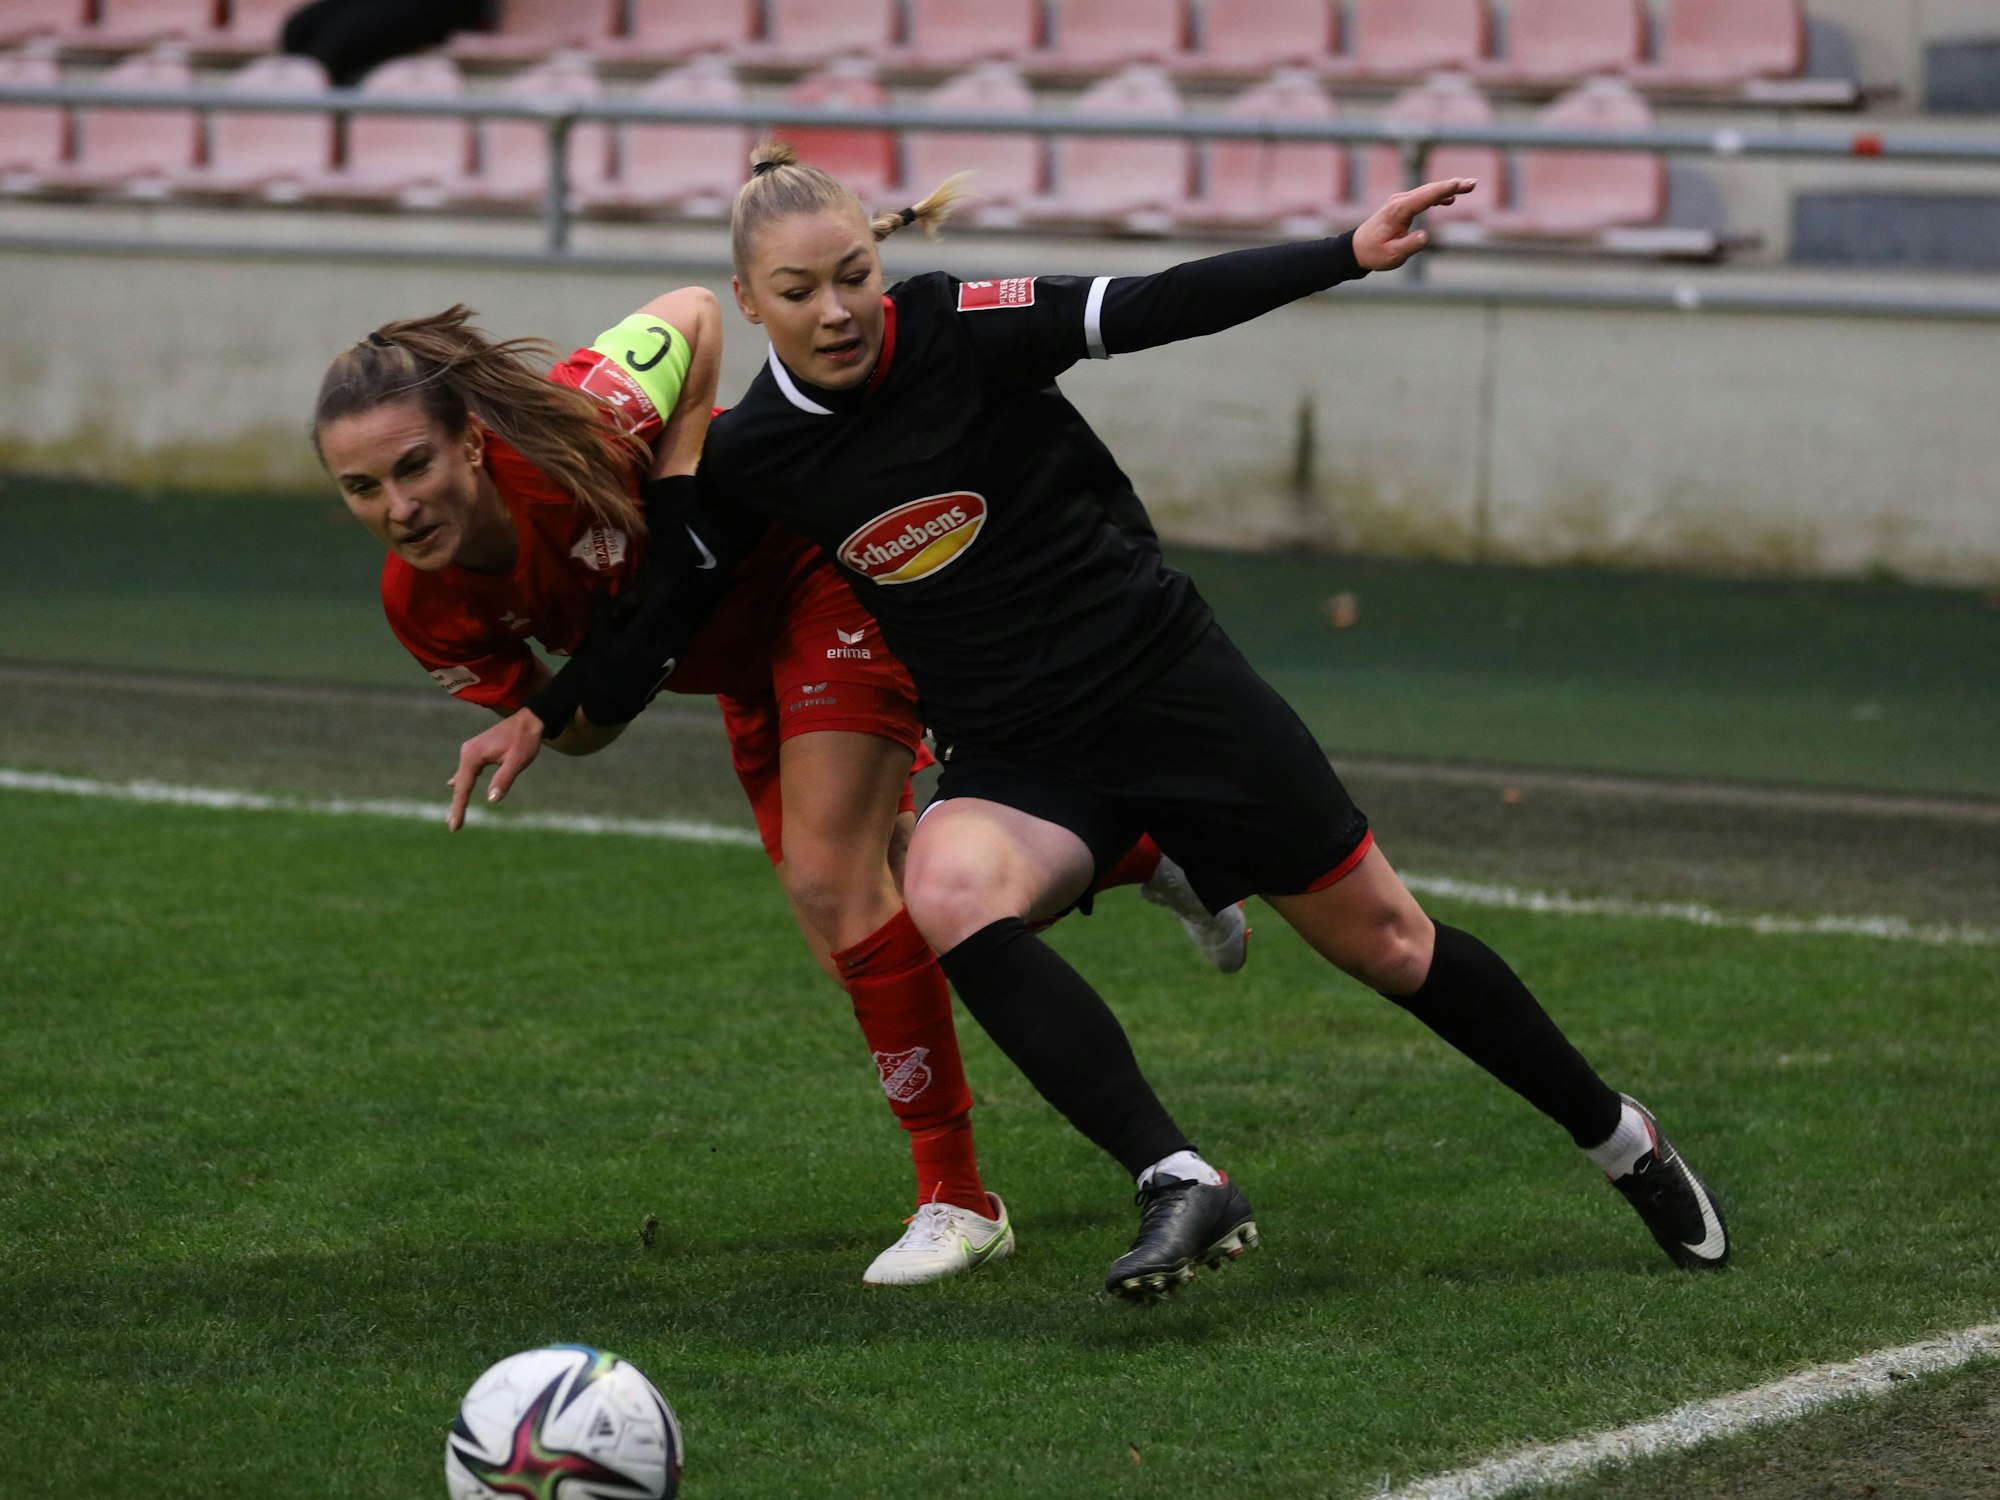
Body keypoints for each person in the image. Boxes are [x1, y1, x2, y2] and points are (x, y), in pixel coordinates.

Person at [454, 144, 1732, 1302]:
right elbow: (667, 602)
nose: (836, 309)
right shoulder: (757, 454)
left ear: (880, 258)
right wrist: (543, 711)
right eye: (799, 290)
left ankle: (1619, 1138)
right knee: (947, 889)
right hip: (1017, 753)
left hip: (1166, 689)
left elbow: (1155, 303)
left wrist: (1342, 253)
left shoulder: (960, 326)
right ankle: (1178, 1177)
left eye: (853, 273)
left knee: (1390, 946)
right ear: (751, 304)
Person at [312, 290, 1243, 1287]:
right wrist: (570, 703)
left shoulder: (579, 417)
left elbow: (695, 313)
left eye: (413, 466)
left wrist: (677, 490)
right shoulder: (423, 608)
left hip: (812, 574)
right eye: (361, 488)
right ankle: (1145, 852)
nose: (397, 508)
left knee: (829, 883)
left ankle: (959, 1202)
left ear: (470, 445)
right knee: (871, 922)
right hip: (734, 670)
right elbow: (591, 730)